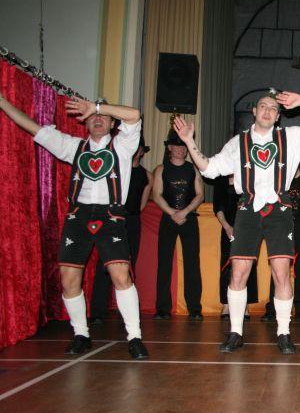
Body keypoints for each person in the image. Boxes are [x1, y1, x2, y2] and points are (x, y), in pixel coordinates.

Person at [172, 89, 300, 354]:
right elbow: (210, 169)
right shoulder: (238, 143)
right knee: (239, 272)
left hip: (279, 210)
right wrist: (189, 142)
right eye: (263, 106)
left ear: (278, 116)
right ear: (254, 112)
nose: (268, 111)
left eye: (273, 108)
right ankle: (236, 332)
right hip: (247, 210)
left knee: (281, 273)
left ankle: (284, 333)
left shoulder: (291, 137)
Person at [0, 92, 149, 359]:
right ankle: (81, 334)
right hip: (78, 216)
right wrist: (2, 102)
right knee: (69, 280)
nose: (98, 119)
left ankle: (135, 337)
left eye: (103, 116)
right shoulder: (73, 146)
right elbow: (33, 127)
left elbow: (135, 114)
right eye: (92, 117)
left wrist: (96, 106)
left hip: (111, 216)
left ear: (113, 122)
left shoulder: (123, 145)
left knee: (121, 276)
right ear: (85, 122)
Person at [89, 134, 153, 324]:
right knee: (104, 264)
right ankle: (97, 312)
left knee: (129, 264)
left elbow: (142, 204)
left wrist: (132, 215)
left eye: (138, 148)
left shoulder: (147, 176)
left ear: (141, 152)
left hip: (132, 221)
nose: (135, 151)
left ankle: (125, 310)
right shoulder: (115, 169)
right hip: (112, 220)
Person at [152, 130, 205, 320]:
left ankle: (195, 309)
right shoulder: (161, 169)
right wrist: (172, 213)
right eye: (177, 145)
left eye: (183, 146)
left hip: (189, 219)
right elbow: (156, 194)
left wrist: (185, 211)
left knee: (192, 263)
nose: (181, 149)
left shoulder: (193, 169)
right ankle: (163, 309)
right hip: (168, 219)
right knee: (164, 263)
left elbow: (200, 195)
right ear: (169, 147)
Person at [262, 163, 300, 321]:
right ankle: (272, 309)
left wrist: (297, 223)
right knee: (278, 267)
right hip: (280, 228)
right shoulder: (278, 181)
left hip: (299, 227)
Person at [214, 175, 257, 321]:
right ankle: (226, 304)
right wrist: (227, 227)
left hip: (249, 227)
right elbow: (218, 206)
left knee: (248, 265)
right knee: (226, 265)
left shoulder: (249, 175)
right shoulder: (220, 180)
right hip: (228, 228)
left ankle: (245, 305)